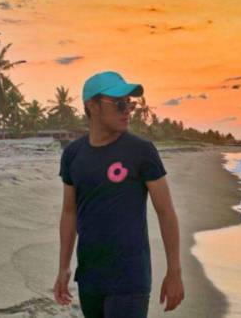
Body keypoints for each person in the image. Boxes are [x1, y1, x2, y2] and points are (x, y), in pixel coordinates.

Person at [53, 71, 184, 317]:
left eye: (130, 104)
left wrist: (174, 271)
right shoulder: (73, 154)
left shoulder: (141, 151)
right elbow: (69, 211)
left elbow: (165, 212)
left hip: (130, 277)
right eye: (120, 103)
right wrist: (63, 267)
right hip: (90, 276)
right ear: (92, 106)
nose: (127, 111)